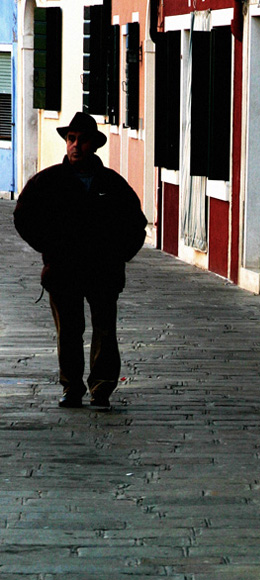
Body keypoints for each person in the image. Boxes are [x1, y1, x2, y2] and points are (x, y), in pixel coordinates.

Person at [14, 112, 147, 409]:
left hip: (103, 271)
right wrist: (49, 247)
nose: (75, 145)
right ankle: (71, 387)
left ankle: (101, 389)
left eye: (82, 140)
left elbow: (135, 224)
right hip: (64, 270)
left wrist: (119, 255)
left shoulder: (112, 183)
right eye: (71, 139)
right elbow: (23, 216)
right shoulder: (48, 181)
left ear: (94, 145)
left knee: (105, 331)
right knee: (69, 333)